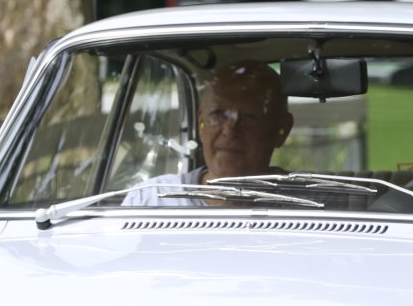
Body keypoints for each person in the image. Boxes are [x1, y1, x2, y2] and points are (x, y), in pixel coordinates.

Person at [122, 61, 293, 206]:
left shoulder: (306, 206)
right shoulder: (150, 201)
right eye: (218, 115)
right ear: (201, 123)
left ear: (282, 130)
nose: (230, 130)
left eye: (250, 117)